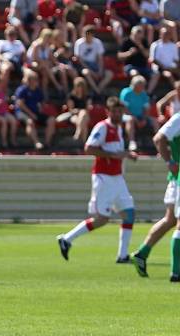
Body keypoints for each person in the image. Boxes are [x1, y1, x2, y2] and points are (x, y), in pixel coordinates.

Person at [57, 97, 139, 263]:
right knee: (101, 219)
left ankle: (123, 255)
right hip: (104, 178)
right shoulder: (102, 127)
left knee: (129, 214)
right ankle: (67, 239)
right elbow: (89, 148)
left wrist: (126, 154)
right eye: (114, 111)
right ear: (108, 112)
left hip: (117, 178)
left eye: (120, 111)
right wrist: (113, 155)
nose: (117, 114)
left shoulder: (119, 128)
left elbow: (116, 151)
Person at [130, 111, 180, 279]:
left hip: (176, 179)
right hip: (178, 178)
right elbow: (159, 138)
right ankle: (176, 272)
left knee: (170, 219)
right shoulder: (179, 119)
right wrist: (169, 162)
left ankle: (142, 254)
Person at [15, 69, 56, 150]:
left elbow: (40, 103)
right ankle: (36, 143)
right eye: (34, 80)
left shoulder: (38, 90)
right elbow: (20, 104)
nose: (36, 81)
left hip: (35, 112)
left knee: (51, 120)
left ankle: (47, 143)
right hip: (22, 113)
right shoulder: (22, 90)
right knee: (30, 122)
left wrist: (40, 109)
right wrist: (31, 114)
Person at [74, 26, 113, 96]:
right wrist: (92, 72)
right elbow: (80, 61)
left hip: (95, 64)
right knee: (86, 73)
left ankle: (98, 89)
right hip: (84, 66)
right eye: (85, 34)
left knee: (109, 74)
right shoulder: (79, 43)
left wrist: (100, 70)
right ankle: (97, 92)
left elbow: (100, 59)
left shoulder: (97, 42)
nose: (87, 36)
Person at [120, 74, 155, 150]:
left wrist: (144, 119)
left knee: (155, 121)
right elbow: (124, 109)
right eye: (139, 86)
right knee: (130, 119)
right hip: (126, 115)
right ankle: (132, 142)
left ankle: (157, 142)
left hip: (140, 116)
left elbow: (146, 109)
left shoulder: (143, 94)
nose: (141, 88)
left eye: (142, 86)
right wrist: (136, 119)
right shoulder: (126, 92)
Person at [58, 76, 92, 142]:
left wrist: (81, 111)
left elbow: (87, 109)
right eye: (78, 86)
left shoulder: (87, 96)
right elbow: (71, 110)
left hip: (86, 115)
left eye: (81, 86)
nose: (80, 88)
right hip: (74, 115)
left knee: (83, 113)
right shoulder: (71, 96)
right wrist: (79, 111)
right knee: (83, 123)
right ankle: (84, 142)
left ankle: (77, 133)